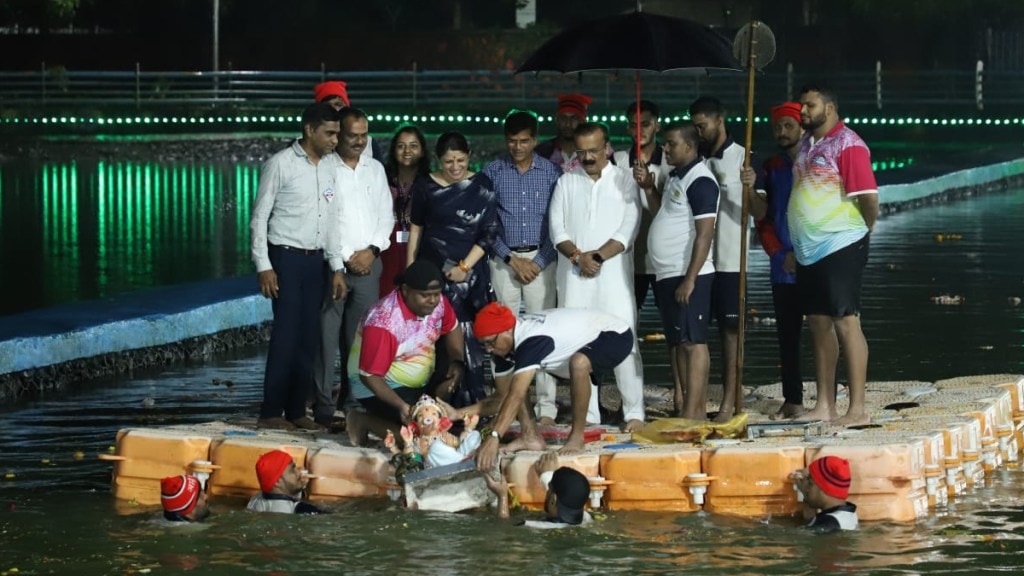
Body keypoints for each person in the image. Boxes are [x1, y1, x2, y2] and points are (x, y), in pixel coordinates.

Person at [250, 102, 345, 431]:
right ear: (309, 130)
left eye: (337, 133)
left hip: (315, 260)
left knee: (309, 337)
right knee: (286, 336)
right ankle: (270, 412)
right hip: (285, 257)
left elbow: (332, 219)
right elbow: (259, 217)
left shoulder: (330, 167)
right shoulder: (280, 164)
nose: (335, 140)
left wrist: (336, 266)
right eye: (329, 133)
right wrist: (264, 265)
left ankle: (296, 411)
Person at [788, 84, 879, 427]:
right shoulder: (809, 146)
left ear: (830, 106)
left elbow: (869, 198)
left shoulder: (848, 144)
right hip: (809, 249)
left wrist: (861, 231)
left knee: (845, 320)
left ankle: (857, 409)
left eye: (809, 105)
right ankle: (824, 404)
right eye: (801, 106)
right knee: (818, 322)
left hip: (841, 243)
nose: (803, 111)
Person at [549, 122, 645, 432]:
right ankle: (589, 416)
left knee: (626, 341)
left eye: (594, 150)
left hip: (613, 279)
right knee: (579, 343)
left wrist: (598, 257)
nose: (588, 157)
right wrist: (579, 257)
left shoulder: (626, 181)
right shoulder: (566, 182)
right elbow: (557, 230)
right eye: (582, 151)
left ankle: (634, 413)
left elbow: (628, 229)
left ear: (607, 148)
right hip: (575, 278)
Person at [470, 302, 636, 469]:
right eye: (484, 344)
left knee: (579, 362)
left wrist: (494, 436)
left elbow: (515, 396)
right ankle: (530, 437)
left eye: (490, 342)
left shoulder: (530, 340)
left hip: (616, 334)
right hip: (580, 335)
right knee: (517, 383)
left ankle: (577, 438)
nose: (489, 349)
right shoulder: (503, 346)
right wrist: (458, 413)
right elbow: (504, 395)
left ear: (506, 330)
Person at [313, 107, 395, 429]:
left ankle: (352, 403)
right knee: (326, 339)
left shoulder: (375, 169)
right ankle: (321, 406)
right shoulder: (325, 170)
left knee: (358, 340)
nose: (359, 142)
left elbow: (385, 216)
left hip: (369, 264)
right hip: (334, 265)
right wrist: (346, 257)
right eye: (352, 136)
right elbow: (326, 220)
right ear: (339, 135)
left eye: (364, 136)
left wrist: (372, 251)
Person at [407, 131, 501, 407]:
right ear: (439, 160)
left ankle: (471, 405)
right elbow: (416, 229)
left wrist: (464, 267)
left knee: (471, 340)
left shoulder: (482, 185)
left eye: (460, 160)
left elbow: (489, 232)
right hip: (432, 277)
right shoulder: (425, 186)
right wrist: (409, 274)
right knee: (432, 340)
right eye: (449, 162)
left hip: (470, 277)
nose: (455, 167)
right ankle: (431, 406)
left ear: (469, 157)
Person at [483, 110, 561, 426]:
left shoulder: (552, 172)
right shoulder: (492, 171)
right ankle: (508, 403)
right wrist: (511, 259)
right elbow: (486, 223)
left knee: (543, 330)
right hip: (504, 261)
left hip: (543, 261)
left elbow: (558, 224)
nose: (518, 147)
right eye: (513, 141)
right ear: (506, 140)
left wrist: (538, 262)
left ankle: (546, 408)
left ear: (535, 139)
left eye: (525, 141)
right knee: (502, 332)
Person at [345, 260, 466, 447]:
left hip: (420, 379)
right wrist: (401, 406)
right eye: (426, 296)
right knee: (420, 441)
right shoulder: (384, 322)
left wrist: (457, 361)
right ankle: (362, 420)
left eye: (436, 294)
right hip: (378, 385)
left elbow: (453, 328)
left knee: (438, 428)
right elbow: (370, 376)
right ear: (406, 290)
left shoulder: (438, 302)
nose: (433, 300)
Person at [644, 123, 719, 420]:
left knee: (694, 341)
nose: (665, 148)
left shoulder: (701, 181)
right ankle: (690, 406)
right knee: (679, 342)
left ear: (689, 146)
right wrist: (649, 189)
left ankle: (695, 411)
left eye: (671, 143)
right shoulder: (676, 176)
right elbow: (662, 214)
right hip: (668, 272)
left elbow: (705, 234)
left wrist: (690, 279)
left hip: (689, 273)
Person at [741, 102, 808, 419]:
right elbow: (761, 217)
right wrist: (750, 186)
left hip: (819, 259)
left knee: (827, 333)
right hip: (784, 264)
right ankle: (793, 399)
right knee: (788, 335)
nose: (782, 132)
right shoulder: (770, 167)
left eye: (788, 126)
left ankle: (830, 399)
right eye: (777, 127)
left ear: (802, 127)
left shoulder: (817, 163)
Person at [689, 96, 750, 422]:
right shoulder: (693, 159)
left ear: (720, 119)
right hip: (698, 261)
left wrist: (749, 188)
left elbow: (761, 212)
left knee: (730, 330)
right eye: (695, 126)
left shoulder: (744, 157)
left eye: (703, 125)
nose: (699, 131)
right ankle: (692, 401)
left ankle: (730, 400)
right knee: (694, 333)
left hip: (729, 260)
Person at [613, 99, 673, 312]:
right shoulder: (617, 162)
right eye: (634, 125)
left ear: (657, 125)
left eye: (645, 124)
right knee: (625, 320)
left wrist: (649, 187)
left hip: (664, 260)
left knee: (672, 325)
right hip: (627, 259)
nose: (639, 131)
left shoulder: (670, 161)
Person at [380, 125, 431, 297]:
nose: (407, 150)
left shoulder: (430, 183)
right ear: (394, 150)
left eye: (413, 145)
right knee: (385, 295)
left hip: (418, 244)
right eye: (401, 146)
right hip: (386, 246)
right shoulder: (382, 179)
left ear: (422, 151)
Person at [485, 451, 593, 527]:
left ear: (554, 499)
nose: (547, 491)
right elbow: (562, 495)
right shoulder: (586, 518)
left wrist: (502, 496)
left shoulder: (531, 526)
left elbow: (503, 527)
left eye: (549, 489)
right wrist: (546, 476)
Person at [313, 80, 385, 163]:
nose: (335, 110)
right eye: (328, 106)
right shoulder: (309, 144)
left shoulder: (369, 145)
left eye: (339, 105)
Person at [789, 456, 858, 532]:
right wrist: (805, 493)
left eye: (810, 483)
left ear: (824, 488)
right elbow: (810, 522)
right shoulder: (848, 513)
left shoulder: (828, 523)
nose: (807, 488)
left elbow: (805, 538)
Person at [247, 449, 326, 515]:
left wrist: (300, 486)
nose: (300, 470)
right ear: (277, 481)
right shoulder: (300, 509)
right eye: (292, 469)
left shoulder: (255, 500)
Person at [534, 93, 592, 173]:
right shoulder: (542, 152)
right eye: (563, 118)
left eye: (574, 119)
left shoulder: (595, 151)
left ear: (584, 121)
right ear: (557, 120)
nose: (568, 124)